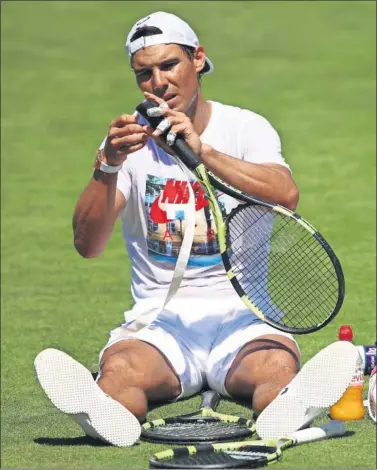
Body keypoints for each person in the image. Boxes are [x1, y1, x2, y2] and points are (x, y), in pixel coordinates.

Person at [34, 11, 336, 447]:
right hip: (161, 322)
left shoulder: (244, 127)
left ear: (198, 59)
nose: (158, 82)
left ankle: (285, 408)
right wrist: (108, 167)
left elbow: (285, 194)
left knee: (275, 372)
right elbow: (88, 245)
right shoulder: (128, 146)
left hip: (244, 318)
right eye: (144, 73)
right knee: (120, 375)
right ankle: (102, 410)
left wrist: (202, 150)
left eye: (169, 65)